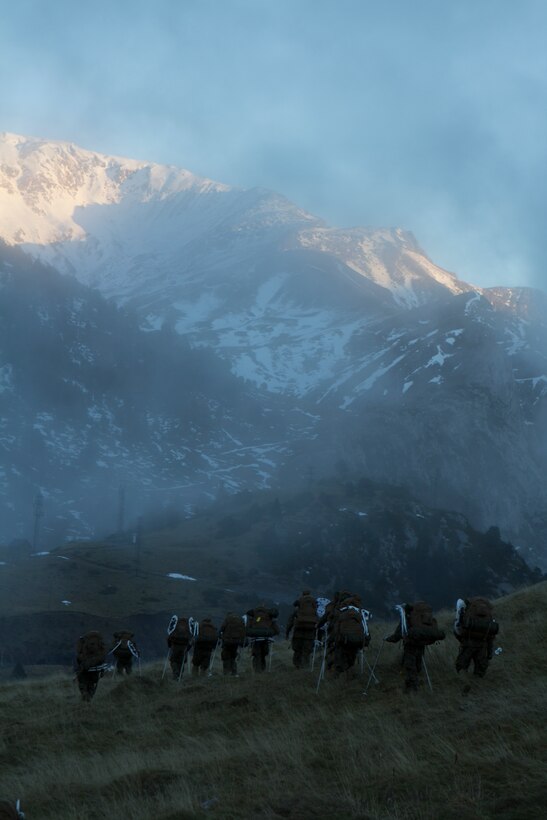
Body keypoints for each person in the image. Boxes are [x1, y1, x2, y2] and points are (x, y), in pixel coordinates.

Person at [385, 602, 445, 693]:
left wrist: (387, 639)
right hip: (421, 643)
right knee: (418, 662)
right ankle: (412, 682)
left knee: (410, 665)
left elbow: (398, 635)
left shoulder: (406, 618)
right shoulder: (420, 620)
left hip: (411, 645)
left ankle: (412, 687)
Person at [454, 597, 499, 679]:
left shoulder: (468, 611)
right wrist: (489, 654)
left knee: (462, 665)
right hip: (483, 644)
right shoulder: (488, 615)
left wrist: (462, 640)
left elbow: (459, 630)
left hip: (468, 643)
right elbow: (491, 637)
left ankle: (463, 681)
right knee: (480, 669)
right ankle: (477, 682)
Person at [286, 590, 318, 669]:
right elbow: (317, 621)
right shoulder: (313, 609)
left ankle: (297, 666)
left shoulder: (298, 609)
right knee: (307, 651)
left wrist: (287, 633)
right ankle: (305, 667)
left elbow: (290, 622)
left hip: (298, 632)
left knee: (297, 650)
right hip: (310, 633)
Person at [246, 604, 279, 672]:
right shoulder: (269, 614)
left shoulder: (253, 615)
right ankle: (262, 669)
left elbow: (248, 628)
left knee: (257, 654)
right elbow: (276, 630)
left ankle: (257, 670)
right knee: (263, 654)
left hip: (256, 638)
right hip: (265, 638)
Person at [75, 631, 107, 702]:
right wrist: (102, 671)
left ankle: (85, 695)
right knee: (92, 685)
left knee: (83, 683)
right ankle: (88, 698)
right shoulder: (100, 644)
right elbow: (102, 658)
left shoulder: (83, 642)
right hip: (95, 670)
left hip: (84, 669)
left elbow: (78, 657)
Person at [219, 612, 247, 676]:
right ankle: (234, 672)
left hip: (227, 641)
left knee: (226, 656)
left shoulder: (227, 619)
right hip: (236, 641)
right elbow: (243, 630)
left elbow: (222, 628)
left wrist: (220, 634)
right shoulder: (240, 620)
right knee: (233, 656)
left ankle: (226, 672)